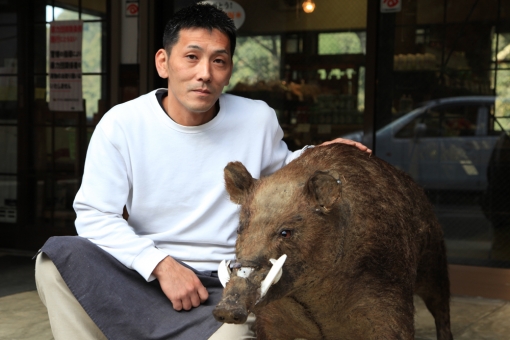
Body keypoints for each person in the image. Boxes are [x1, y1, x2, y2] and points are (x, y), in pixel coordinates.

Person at [35, 3, 371, 340]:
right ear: (163, 62)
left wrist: (323, 155)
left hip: (228, 282)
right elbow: (94, 214)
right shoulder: (122, 124)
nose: (205, 74)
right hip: (145, 276)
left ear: (229, 70)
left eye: (218, 61)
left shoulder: (257, 119)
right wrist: (160, 265)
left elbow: (282, 174)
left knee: (238, 334)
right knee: (56, 260)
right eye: (192, 57)